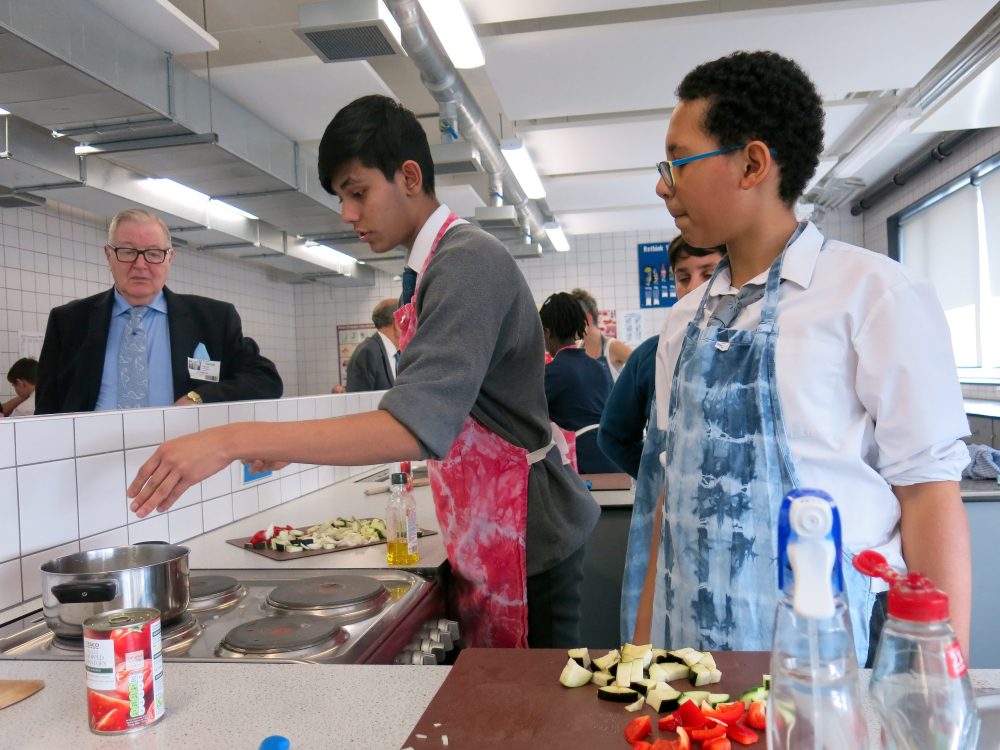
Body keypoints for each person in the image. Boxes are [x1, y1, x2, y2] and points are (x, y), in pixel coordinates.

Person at [125, 94, 599, 650]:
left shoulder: (467, 261)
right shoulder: (430, 268)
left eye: (358, 192)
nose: (348, 214)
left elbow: (411, 425)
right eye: (341, 198)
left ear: (409, 176)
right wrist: (291, 444)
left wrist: (230, 439)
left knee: (528, 721)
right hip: (492, 526)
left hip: (527, 534)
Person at [622, 50, 972, 666]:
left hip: (819, 665)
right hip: (685, 662)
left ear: (752, 163)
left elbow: (928, 498)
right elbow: (670, 504)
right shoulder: (684, 319)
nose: (662, 184)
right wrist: (642, 656)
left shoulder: (874, 296)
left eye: (678, 161)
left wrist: (939, 686)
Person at [35, 208, 283, 415]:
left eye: (154, 253)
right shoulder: (69, 321)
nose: (140, 265)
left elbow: (265, 381)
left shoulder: (213, 319)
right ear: (108, 255)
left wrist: (199, 397)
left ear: (170, 258)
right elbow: (47, 406)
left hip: (178, 457)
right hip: (89, 458)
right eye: (128, 252)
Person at [597, 237, 725, 477]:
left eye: (708, 275)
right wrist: (656, 478)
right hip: (669, 506)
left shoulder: (755, 348)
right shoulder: (650, 356)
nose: (694, 287)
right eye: (683, 278)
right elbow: (612, 436)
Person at [539, 292, 617, 474]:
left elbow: (528, 414)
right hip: (612, 456)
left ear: (547, 332)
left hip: (583, 460)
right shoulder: (598, 367)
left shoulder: (553, 372)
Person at [571, 288, 633, 380]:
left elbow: (645, 366)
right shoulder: (576, 348)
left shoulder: (614, 347)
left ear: (587, 319)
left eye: (572, 319)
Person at [345, 299, 401, 392]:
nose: (411, 326)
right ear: (397, 323)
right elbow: (359, 401)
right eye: (407, 320)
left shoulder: (397, 354)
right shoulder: (367, 352)